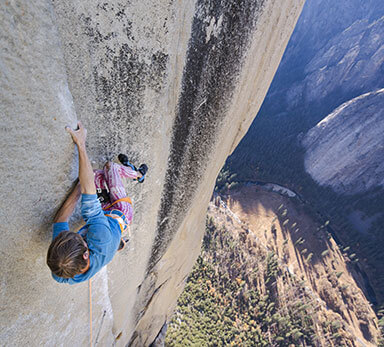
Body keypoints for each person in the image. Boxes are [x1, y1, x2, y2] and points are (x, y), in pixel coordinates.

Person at [47, 122, 146, 284]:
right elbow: (89, 188)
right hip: (120, 213)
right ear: (86, 254)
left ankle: (117, 243)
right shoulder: (100, 237)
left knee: (96, 177)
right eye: (77, 237)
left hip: (104, 222)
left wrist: (78, 187)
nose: (69, 233)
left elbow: (60, 221)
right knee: (109, 168)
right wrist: (80, 143)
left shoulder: (60, 272)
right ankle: (139, 174)